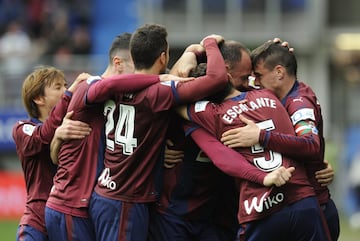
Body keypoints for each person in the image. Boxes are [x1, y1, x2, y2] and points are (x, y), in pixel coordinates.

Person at [175, 42, 331, 240]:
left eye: (257, 76)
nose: (253, 80)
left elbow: (172, 99)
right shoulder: (269, 94)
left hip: (259, 209)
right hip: (301, 200)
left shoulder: (214, 114)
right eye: (249, 76)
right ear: (229, 77)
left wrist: (189, 54)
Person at [88, 24, 229, 241]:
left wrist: (190, 53)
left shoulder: (110, 86)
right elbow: (217, 78)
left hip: (106, 191)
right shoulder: (158, 92)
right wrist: (210, 43)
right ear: (163, 57)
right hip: (126, 199)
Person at [150, 41, 296, 241]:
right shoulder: (188, 111)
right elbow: (221, 155)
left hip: (218, 213)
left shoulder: (243, 101)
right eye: (245, 77)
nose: (248, 83)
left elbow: (286, 91)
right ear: (225, 73)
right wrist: (190, 52)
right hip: (175, 213)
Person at [44, 32, 178, 241]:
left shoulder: (119, 99)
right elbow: (54, 157)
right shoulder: (89, 87)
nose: (141, 77)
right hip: (70, 204)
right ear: (118, 63)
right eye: (137, 69)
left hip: (93, 203)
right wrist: (58, 138)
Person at [220, 41, 340, 241]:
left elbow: (311, 144)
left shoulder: (299, 102)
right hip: (287, 206)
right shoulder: (274, 95)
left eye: (258, 76)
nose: (254, 82)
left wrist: (261, 136)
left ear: (279, 72)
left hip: (313, 208)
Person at [12, 66, 92, 241]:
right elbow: (44, 135)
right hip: (38, 221)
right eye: (58, 87)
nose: (66, 90)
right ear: (38, 98)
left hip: (71, 219)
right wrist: (70, 94)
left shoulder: (75, 126)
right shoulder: (22, 129)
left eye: (66, 85)